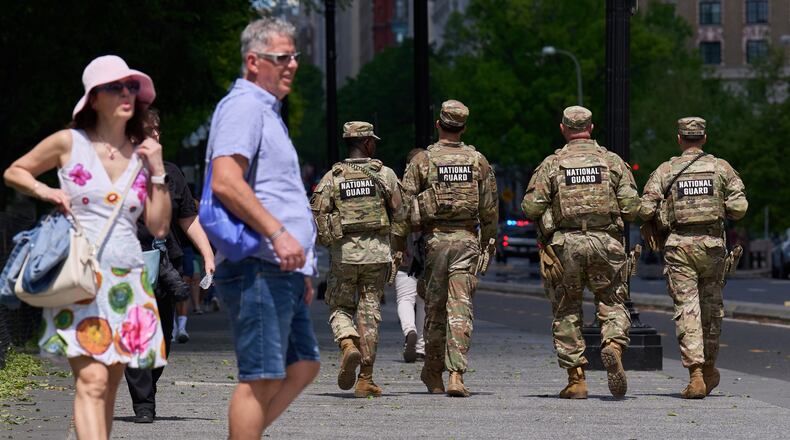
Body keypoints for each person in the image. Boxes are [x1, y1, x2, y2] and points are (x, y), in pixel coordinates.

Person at [3, 55, 170, 439]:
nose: (126, 93)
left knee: (108, 388)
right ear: (94, 98)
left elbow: (159, 224)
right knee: (92, 382)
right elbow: (15, 170)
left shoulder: (142, 153)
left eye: (130, 87)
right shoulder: (69, 143)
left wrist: (158, 169)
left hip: (129, 280)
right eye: (115, 87)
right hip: (82, 280)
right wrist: (46, 190)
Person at [206, 17, 320, 438]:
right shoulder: (244, 107)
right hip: (258, 263)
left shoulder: (267, 112)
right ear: (253, 61)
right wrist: (277, 233)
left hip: (282, 267)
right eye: (281, 57)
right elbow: (225, 180)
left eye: (295, 56)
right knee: (261, 377)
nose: (292, 64)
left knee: (302, 365)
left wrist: (302, 265)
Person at [521, 106, 639, 399]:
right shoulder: (611, 162)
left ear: (563, 129)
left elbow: (531, 207)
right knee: (612, 302)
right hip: (606, 243)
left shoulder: (553, 164)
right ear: (591, 127)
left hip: (566, 245)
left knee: (566, 309)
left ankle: (577, 380)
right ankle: (612, 345)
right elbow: (632, 207)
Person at [639, 117, 747, 399]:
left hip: (679, 246)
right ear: (704, 138)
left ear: (679, 139)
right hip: (712, 246)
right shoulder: (721, 168)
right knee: (711, 310)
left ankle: (697, 375)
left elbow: (644, 208)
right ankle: (710, 367)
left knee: (688, 309)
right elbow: (739, 207)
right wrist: (716, 206)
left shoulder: (667, 169)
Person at [400, 100, 498, 397]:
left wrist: (400, 242)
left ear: (439, 125)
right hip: (467, 240)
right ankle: (456, 374)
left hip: (435, 241)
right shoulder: (477, 160)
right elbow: (490, 209)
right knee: (461, 307)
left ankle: (433, 372)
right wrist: (487, 244)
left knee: (434, 309)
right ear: (464, 128)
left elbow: (403, 205)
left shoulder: (423, 161)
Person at [125, 109, 215, 423]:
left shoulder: (172, 173)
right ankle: (144, 404)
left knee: (162, 339)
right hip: (129, 264)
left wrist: (207, 254)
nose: (155, 136)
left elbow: (188, 220)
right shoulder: (118, 171)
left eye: (157, 130)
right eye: (148, 130)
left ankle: (147, 385)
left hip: (166, 266)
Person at [310, 121, 406, 397]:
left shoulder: (333, 177)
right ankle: (365, 378)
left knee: (339, 306)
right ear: (366, 143)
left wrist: (329, 239)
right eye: (372, 140)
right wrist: (398, 247)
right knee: (370, 312)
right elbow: (401, 214)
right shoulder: (385, 175)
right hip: (377, 253)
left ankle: (347, 343)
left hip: (344, 254)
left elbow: (317, 214)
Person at [394, 149, 428, 363]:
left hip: (405, 248)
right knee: (424, 300)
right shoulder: (432, 184)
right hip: (429, 249)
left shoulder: (397, 186)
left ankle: (409, 333)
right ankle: (422, 347)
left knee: (405, 297)